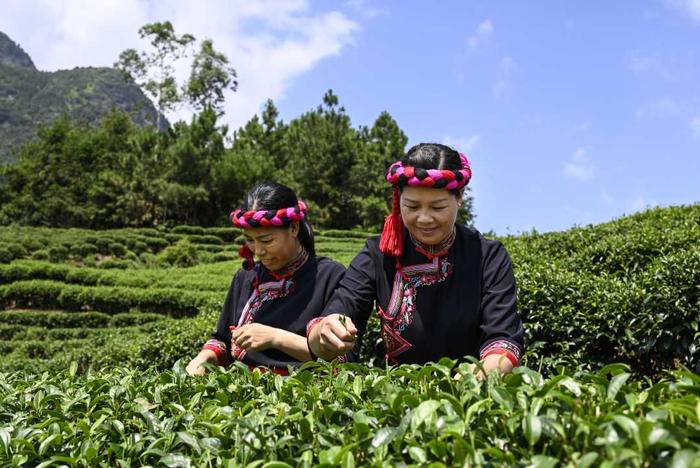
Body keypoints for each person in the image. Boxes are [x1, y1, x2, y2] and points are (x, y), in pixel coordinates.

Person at [306, 143, 525, 377]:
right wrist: (325, 332)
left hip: (470, 393)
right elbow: (345, 305)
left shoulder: (487, 256)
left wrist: (481, 373)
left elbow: (502, 337)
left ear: (459, 197)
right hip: (400, 395)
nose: (424, 218)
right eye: (411, 206)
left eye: (437, 207)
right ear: (398, 199)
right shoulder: (377, 253)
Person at [186, 182, 345, 376]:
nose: (259, 251)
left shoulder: (329, 276)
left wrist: (275, 337)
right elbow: (223, 341)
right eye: (250, 240)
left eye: (266, 240)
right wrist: (204, 357)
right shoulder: (245, 277)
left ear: (294, 228)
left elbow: (341, 359)